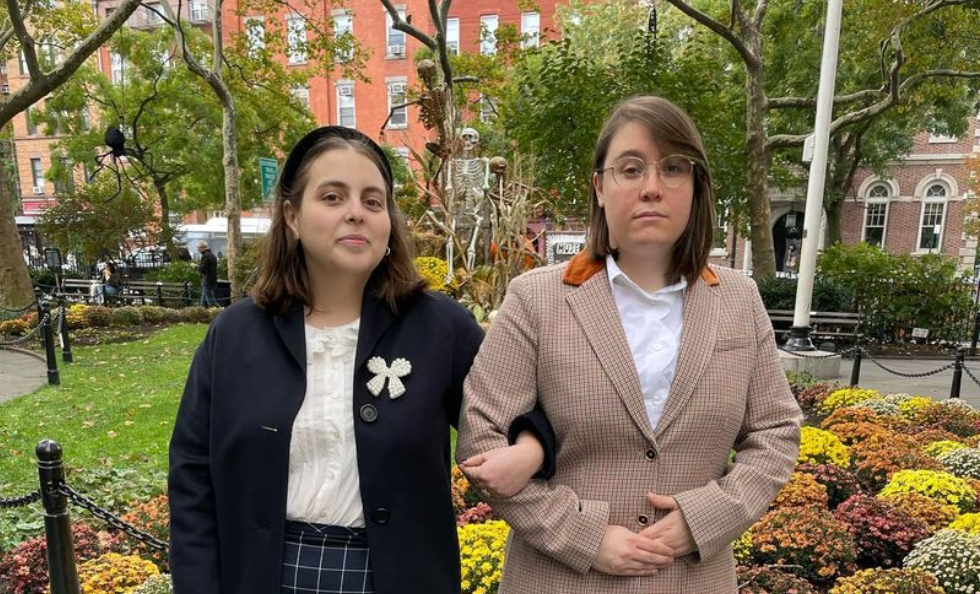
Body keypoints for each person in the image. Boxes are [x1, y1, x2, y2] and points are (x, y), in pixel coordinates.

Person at [168, 126, 555, 594]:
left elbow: (527, 407)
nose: (356, 213)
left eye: (373, 202)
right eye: (332, 197)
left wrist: (530, 448)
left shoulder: (439, 329)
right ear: (291, 216)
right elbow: (192, 477)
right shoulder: (235, 336)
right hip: (265, 577)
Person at [456, 96, 802, 593]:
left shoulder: (738, 301)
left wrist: (703, 519)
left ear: (696, 186)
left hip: (692, 580)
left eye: (674, 168)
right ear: (600, 186)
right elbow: (481, 436)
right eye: (631, 168)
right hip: (559, 580)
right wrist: (584, 536)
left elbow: (775, 432)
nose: (652, 188)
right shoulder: (537, 299)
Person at [196, 240, 218, 307]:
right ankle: (201, 313)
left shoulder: (205, 256)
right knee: (203, 302)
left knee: (211, 302)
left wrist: (195, 266)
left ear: (201, 248)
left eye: (198, 248)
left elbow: (203, 269)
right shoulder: (212, 255)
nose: (197, 250)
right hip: (212, 280)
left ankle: (221, 313)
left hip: (207, 281)